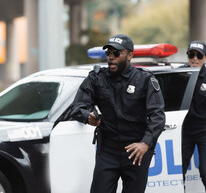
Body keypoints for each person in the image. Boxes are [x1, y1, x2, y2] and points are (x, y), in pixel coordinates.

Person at [71, 34, 165, 193]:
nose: (111, 58)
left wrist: (145, 143)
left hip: (136, 151)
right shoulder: (96, 78)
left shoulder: (144, 80)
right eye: (108, 53)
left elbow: (158, 116)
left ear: (129, 56)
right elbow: (77, 106)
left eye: (116, 53)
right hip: (108, 150)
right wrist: (87, 116)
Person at [181, 41, 206, 192]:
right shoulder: (179, 75)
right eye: (191, 54)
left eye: (199, 55)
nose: (195, 59)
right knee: (177, 173)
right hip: (183, 130)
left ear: (205, 57)